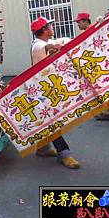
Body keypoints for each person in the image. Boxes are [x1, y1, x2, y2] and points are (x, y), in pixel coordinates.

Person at [30, 17, 80, 169]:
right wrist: (54, 47)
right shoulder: (38, 45)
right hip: (43, 91)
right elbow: (47, 47)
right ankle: (64, 153)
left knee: (47, 120)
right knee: (51, 120)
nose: (52, 28)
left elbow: (63, 40)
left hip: (50, 88)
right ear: (44, 30)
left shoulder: (45, 42)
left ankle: (43, 148)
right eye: (50, 26)